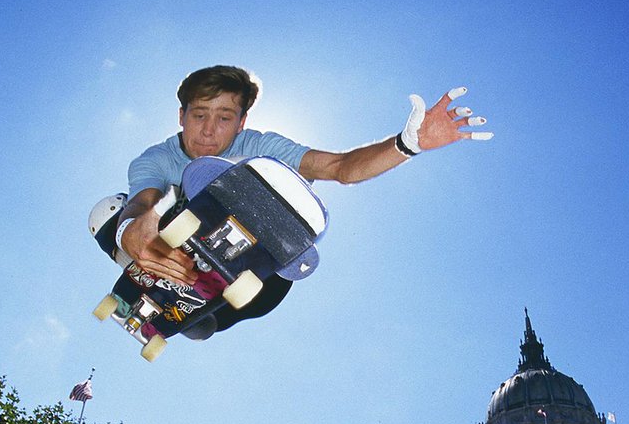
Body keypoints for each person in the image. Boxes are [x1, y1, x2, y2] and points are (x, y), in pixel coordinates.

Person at [111, 64, 493, 288]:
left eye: (224, 118)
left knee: (254, 175)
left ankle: (227, 284)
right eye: (199, 116)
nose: (209, 132)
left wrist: (407, 144)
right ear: (181, 116)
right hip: (172, 239)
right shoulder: (157, 159)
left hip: (238, 252)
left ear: (242, 122)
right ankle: (156, 270)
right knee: (109, 211)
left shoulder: (260, 145)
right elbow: (141, 202)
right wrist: (130, 231)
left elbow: (338, 168)